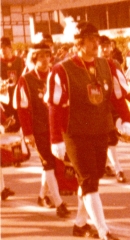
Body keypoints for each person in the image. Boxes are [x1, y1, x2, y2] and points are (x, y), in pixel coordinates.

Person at [46, 22, 130, 239]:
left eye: (97, 39)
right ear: (79, 43)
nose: (96, 43)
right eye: (91, 40)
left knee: (93, 179)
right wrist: (56, 138)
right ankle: (103, 231)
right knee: (88, 180)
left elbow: (117, 96)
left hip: (100, 130)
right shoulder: (61, 70)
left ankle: (80, 224)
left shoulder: (108, 65)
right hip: (75, 134)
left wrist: (126, 119)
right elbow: (54, 107)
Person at [15, 43, 70, 217]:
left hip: (56, 127)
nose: (45, 60)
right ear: (34, 59)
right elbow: (22, 108)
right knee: (48, 164)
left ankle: (41, 196)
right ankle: (59, 203)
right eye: (41, 57)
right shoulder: (26, 79)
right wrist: (28, 132)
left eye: (47, 56)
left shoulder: (55, 75)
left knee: (52, 164)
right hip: (38, 129)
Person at [98, 35, 130, 183]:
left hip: (113, 107)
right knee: (107, 139)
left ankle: (112, 168)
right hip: (99, 108)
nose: (105, 49)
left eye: (107, 46)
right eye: (102, 46)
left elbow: (120, 87)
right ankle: (117, 169)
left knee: (111, 139)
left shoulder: (115, 63)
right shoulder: (93, 65)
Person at [0, 37, 24, 134]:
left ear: (10, 48)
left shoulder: (19, 61)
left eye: (5, 47)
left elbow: (23, 78)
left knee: (18, 124)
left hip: (17, 96)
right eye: (1, 47)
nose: (2, 50)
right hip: (3, 99)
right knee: (7, 125)